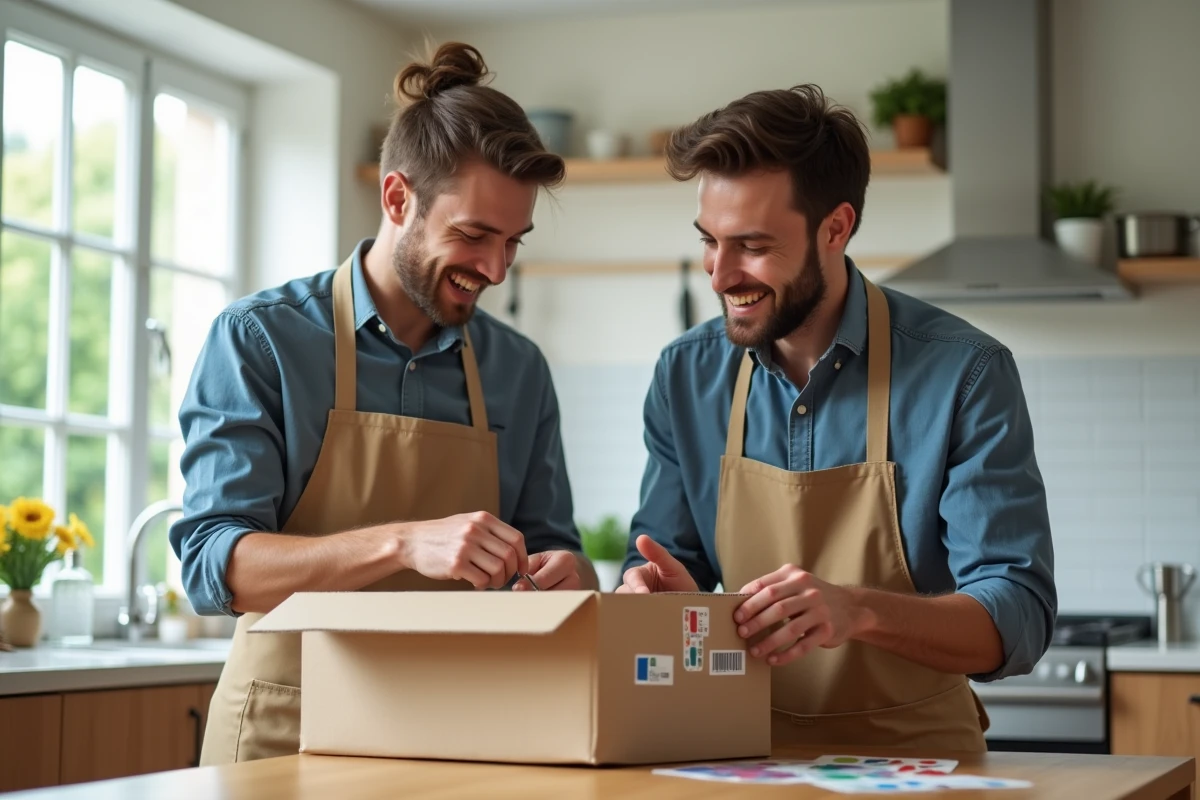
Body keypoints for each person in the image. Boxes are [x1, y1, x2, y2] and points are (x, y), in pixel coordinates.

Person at [171, 42, 594, 765]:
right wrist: (402, 543)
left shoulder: (517, 370)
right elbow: (220, 567)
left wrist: (570, 578)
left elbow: (554, 549)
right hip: (283, 734)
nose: (495, 269)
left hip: (462, 735)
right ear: (398, 198)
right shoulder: (262, 341)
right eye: (473, 236)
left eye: (513, 243)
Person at [618, 85, 1056, 751]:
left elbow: (1018, 615)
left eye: (753, 245)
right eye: (710, 240)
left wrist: (858, 609)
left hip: (919, 762)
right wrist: (658, 599)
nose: (719, 274)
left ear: (836, 228)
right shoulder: (686, 375)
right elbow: (664, 567)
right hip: (736, 754)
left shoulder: (963, 374)